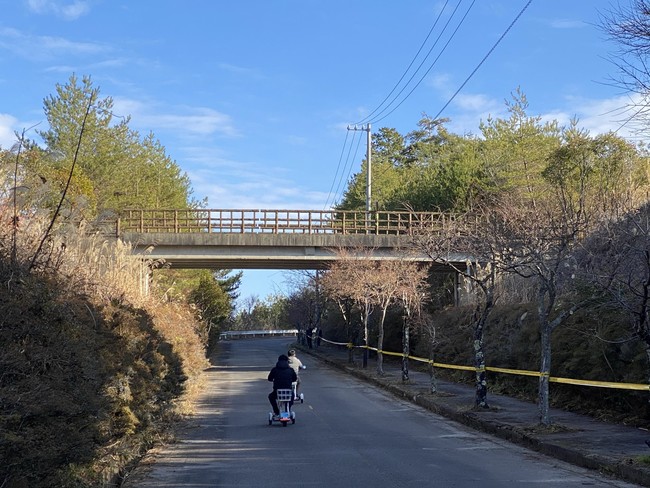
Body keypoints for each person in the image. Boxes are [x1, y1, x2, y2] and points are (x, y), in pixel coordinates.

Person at [268, 354, 297, 418]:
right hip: (288, 392)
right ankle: (288, 409)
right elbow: (295, 379)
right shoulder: (291, 370)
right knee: (292, 396)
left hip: (277, 392)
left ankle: (276, 412)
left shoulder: (274, 370)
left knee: (271, 397)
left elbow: (269, 379)